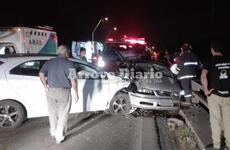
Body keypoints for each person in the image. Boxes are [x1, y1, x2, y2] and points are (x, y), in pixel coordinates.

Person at [39, 45, 79, 144]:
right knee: (63, 114)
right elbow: (73, 80)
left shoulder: (49, 62)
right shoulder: (69, 63)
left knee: (52, 112)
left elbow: (41, 73)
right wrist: (76, 93)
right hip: (63, 92)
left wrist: (45, 85)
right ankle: (59, 136)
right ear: (66, 53)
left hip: (50, 91)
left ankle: (53, 131)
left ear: (58, 53)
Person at [200, 42, 230, 150]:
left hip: (215, 95)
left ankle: (217, 146)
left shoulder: (209, 61)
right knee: (228, 121)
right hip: (228, 95)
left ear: (212, 50)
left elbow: (203, 76)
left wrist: (206, 90)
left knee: (215, 121)